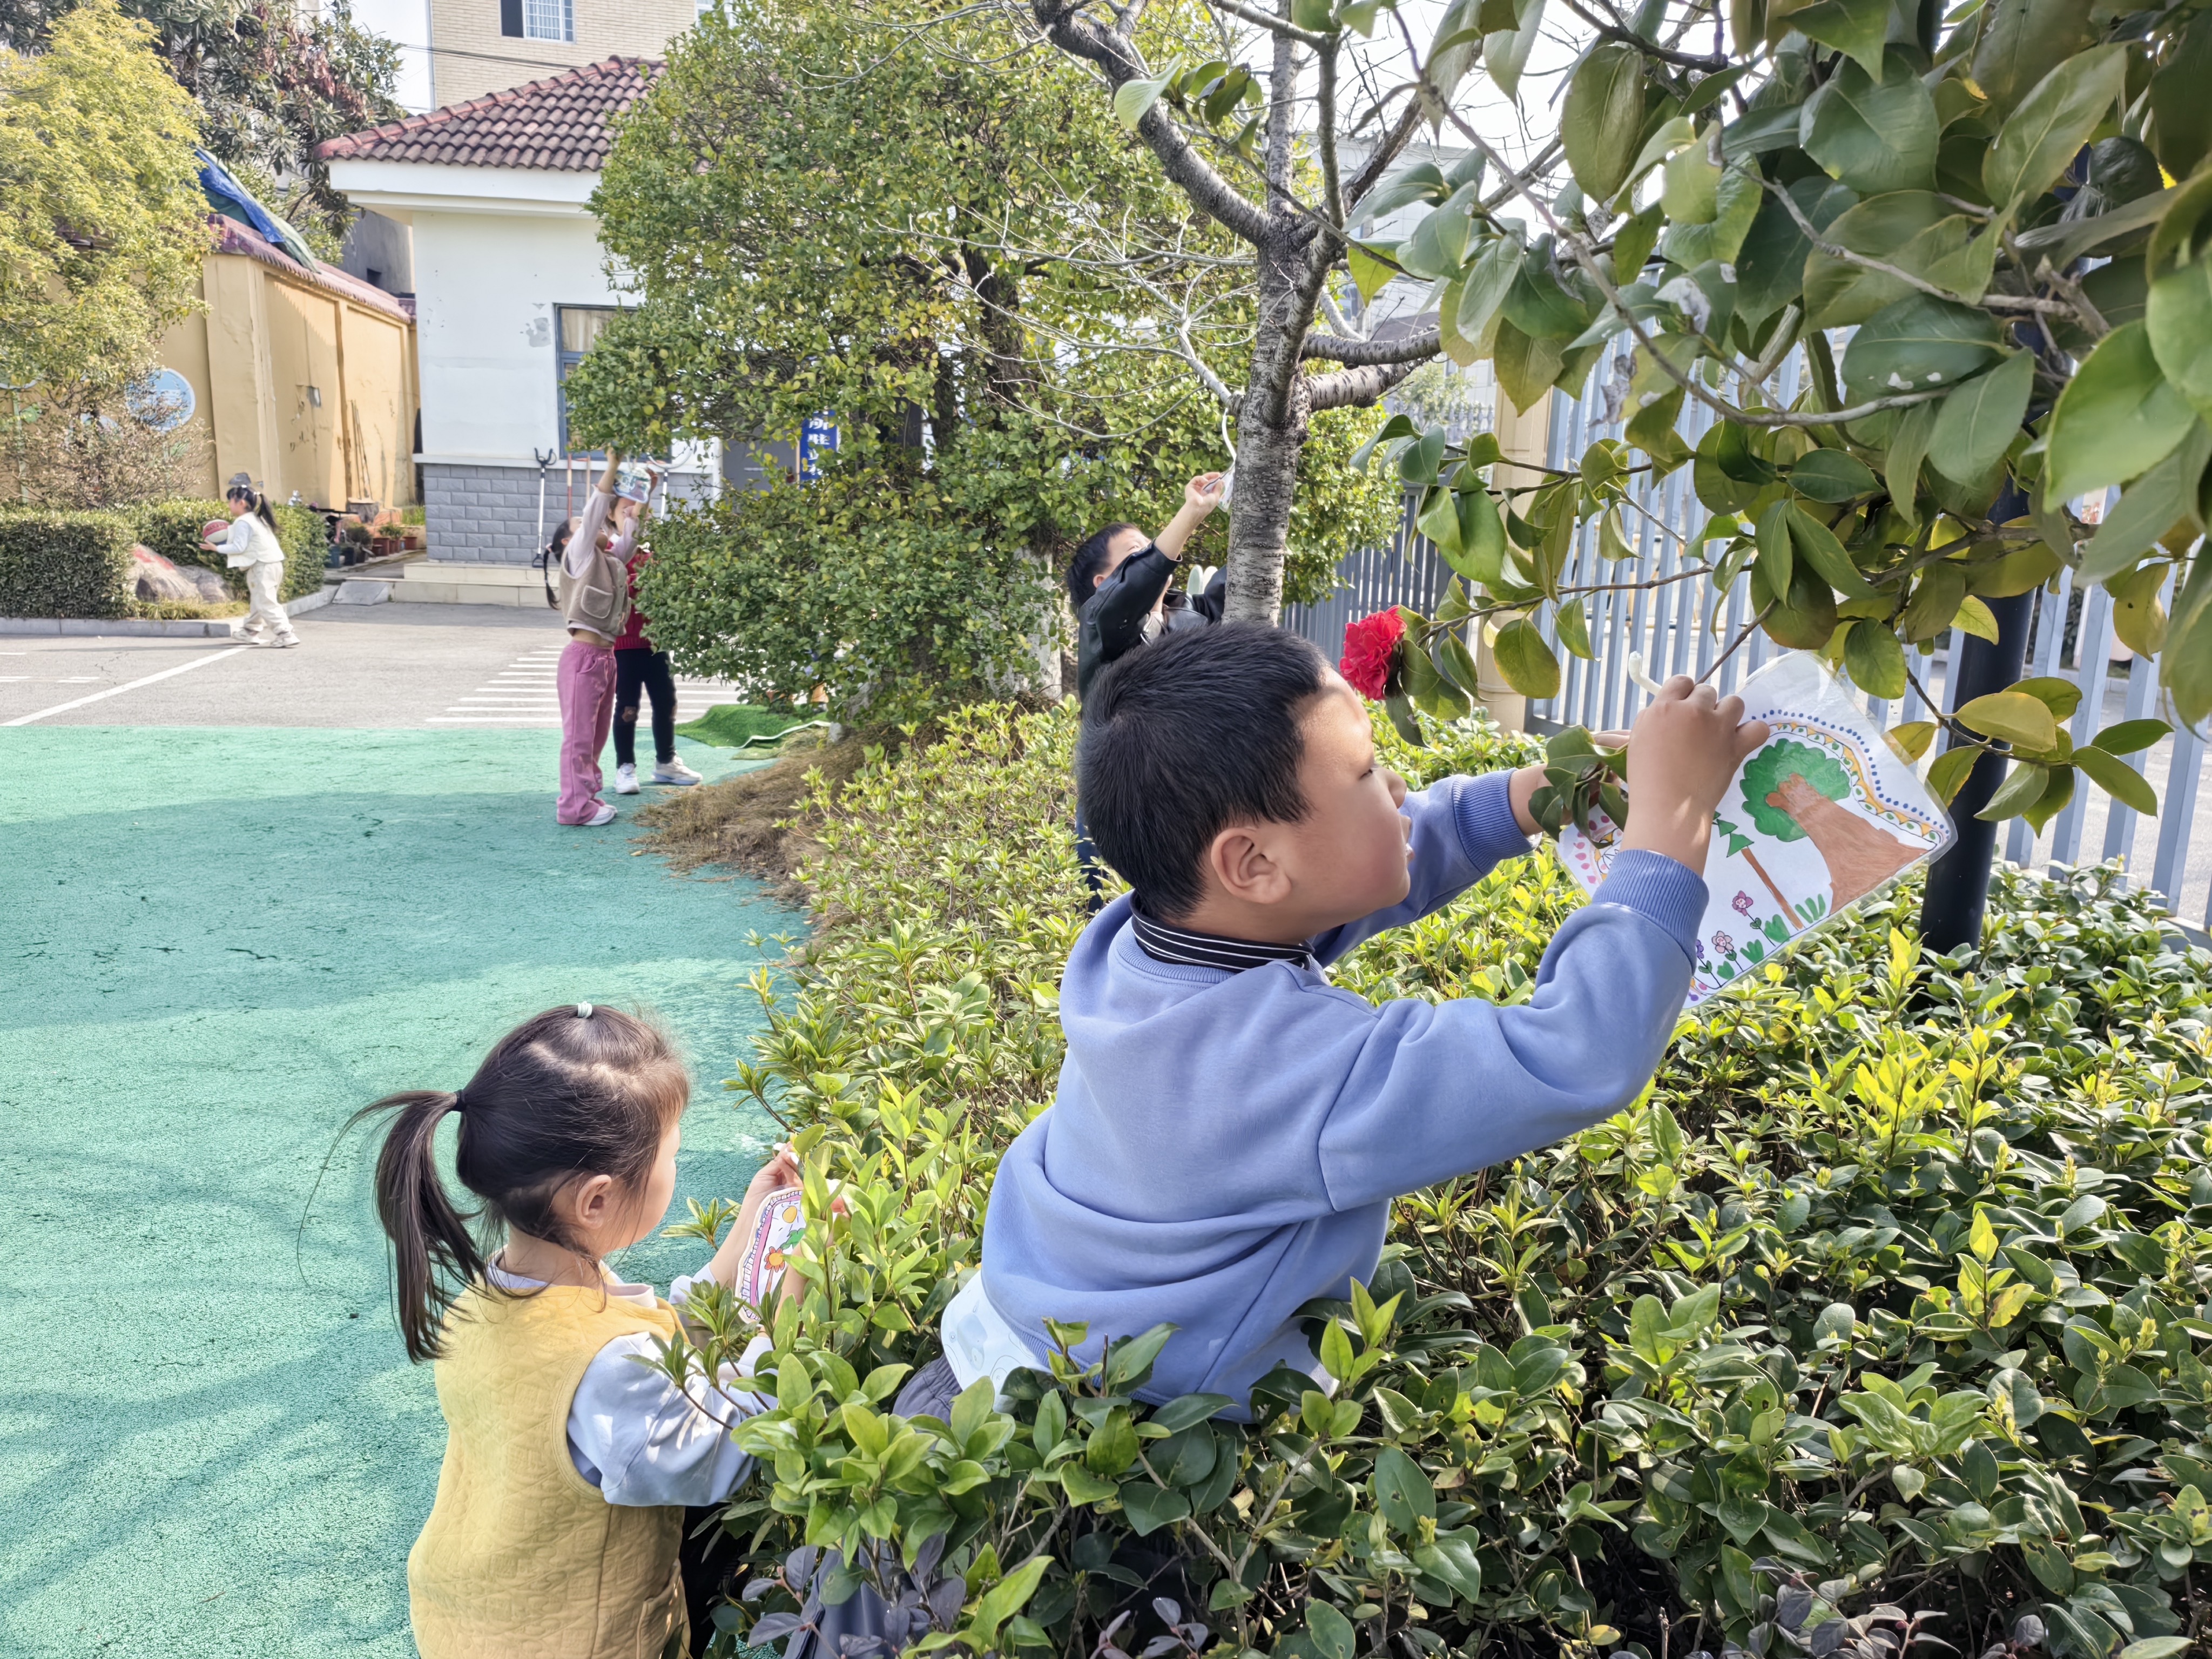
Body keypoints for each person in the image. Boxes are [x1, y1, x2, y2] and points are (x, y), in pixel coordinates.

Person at [914, 624, 1768, 1413]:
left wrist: (1539, 795)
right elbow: (1579, 1053)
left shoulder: (1148, 948)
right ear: (1250, 863)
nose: (1396, 785)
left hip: (995, 1343)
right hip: (1099, 1444)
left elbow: (1371, 862)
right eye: (1365, 773)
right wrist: (1673, 825)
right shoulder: (1276, 1077)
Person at [354, 1002, 801, 1659]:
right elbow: (719, 1455)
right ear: (595, 1200)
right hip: (577, 1639)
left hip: (476, 1613)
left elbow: (658, 1346)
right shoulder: (608, 1364)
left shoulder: (495, 1294)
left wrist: (753, 1224)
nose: (676, 1167)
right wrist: (786, 1312)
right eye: (672, 1153)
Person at [1067, 471, 1228, 704]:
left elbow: (1242, 580)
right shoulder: (1099, 629)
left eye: (1150, 546)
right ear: (1104, 584)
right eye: (1136, 552)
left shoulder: (1191, 611)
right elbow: (1133, 585)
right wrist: (1194, 510)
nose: (1151, 553)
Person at [554, 455, 646, 827]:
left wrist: (643, 493)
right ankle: (573, 807)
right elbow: (595, 511)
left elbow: (631, 537)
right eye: (581, 526)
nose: (591, 524)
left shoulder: (610, 561)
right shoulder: (579, 556)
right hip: (583, 657)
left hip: (605, 658)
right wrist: (612, 465)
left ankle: (587, 796)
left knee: (595, 736)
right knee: (578, 737)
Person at [610, 477, 703, 795]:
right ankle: (625, 767)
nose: (635, 515)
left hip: (655, 644)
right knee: (628, 707)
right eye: (627, 511)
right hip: (623, 647)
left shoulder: (654, 557)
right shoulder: (611, 554)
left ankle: (666, 761)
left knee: (666, 702)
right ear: (612, 517)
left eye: (641, 512)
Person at [202, 481, 296, 648]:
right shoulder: (257, 518)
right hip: (273, 564)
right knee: (259, 600)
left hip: (262, 566)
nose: (229, 505)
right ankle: (250, 631)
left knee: (265, 602)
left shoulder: (243, 522)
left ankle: (285, 634)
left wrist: (216, 548)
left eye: (231, 501)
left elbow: (239, 547)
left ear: (242, 503)